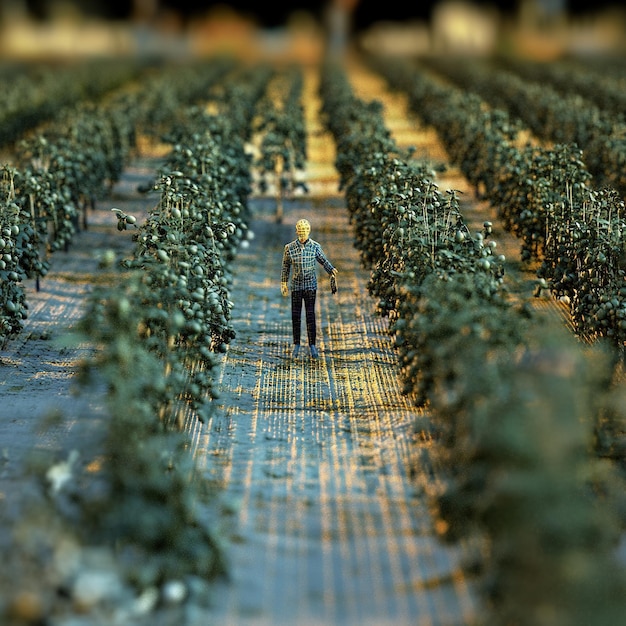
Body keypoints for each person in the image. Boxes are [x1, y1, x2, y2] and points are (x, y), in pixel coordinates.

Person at [281, 219, 338, 358]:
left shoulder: (315, 247)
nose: (303, 233)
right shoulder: (289, 248)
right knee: (296, 316)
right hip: (296, 286)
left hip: (310, 286)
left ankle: (312, 344)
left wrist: (331, 270)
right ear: (296, 231)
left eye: (305, 231)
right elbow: (285, 267)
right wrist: (283, 282)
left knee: (310, 315)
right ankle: (296, 344)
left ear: (309, 231)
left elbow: (323, 260)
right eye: (300, 231)